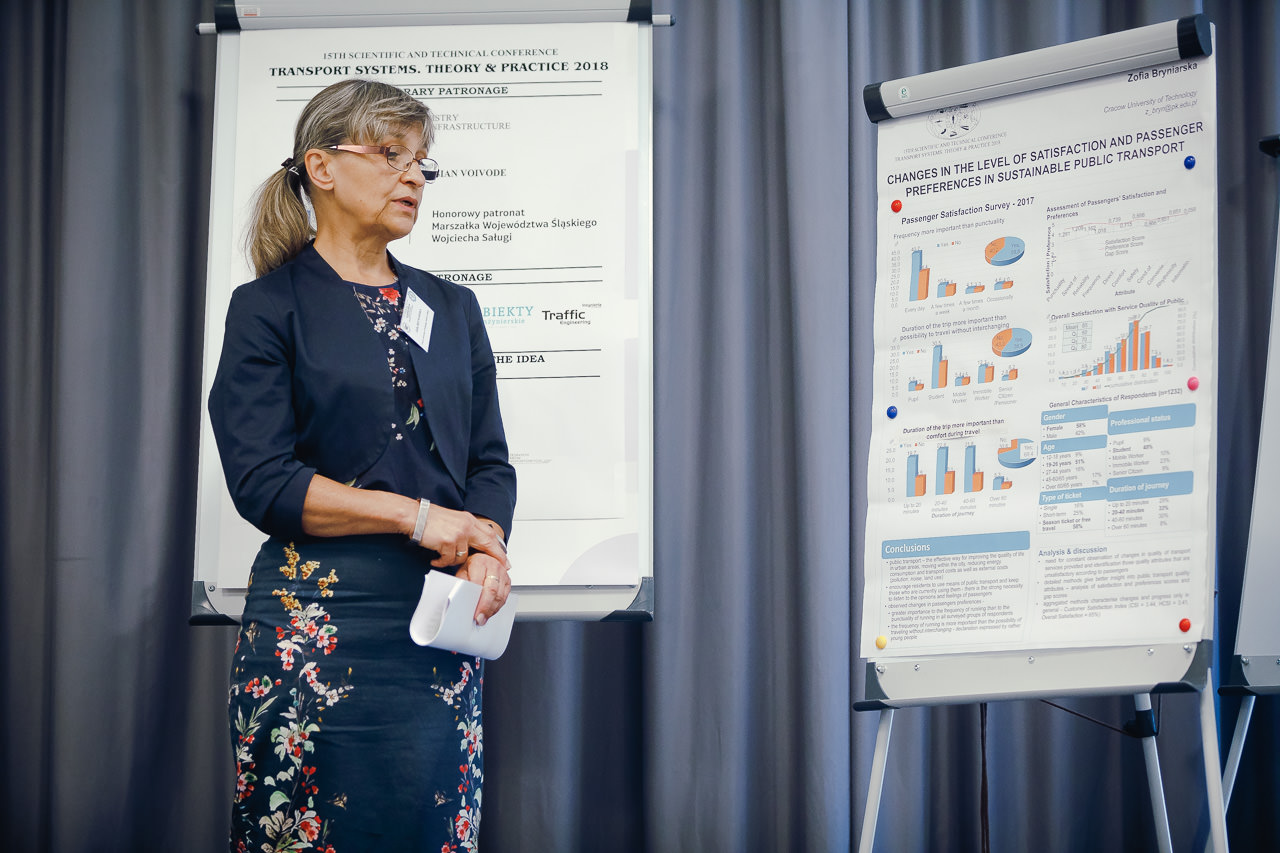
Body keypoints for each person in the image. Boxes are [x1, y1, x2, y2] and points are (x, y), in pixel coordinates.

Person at [208, 78, 517, 850]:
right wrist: (418, 516)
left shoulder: (453, 308)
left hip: (436, 632)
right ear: (321, 166)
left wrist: (486, 546)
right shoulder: (268, 307)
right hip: (312, 627)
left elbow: (488, 460)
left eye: (421, 162)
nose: (414, 175)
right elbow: (263, 480)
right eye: (390, 154)